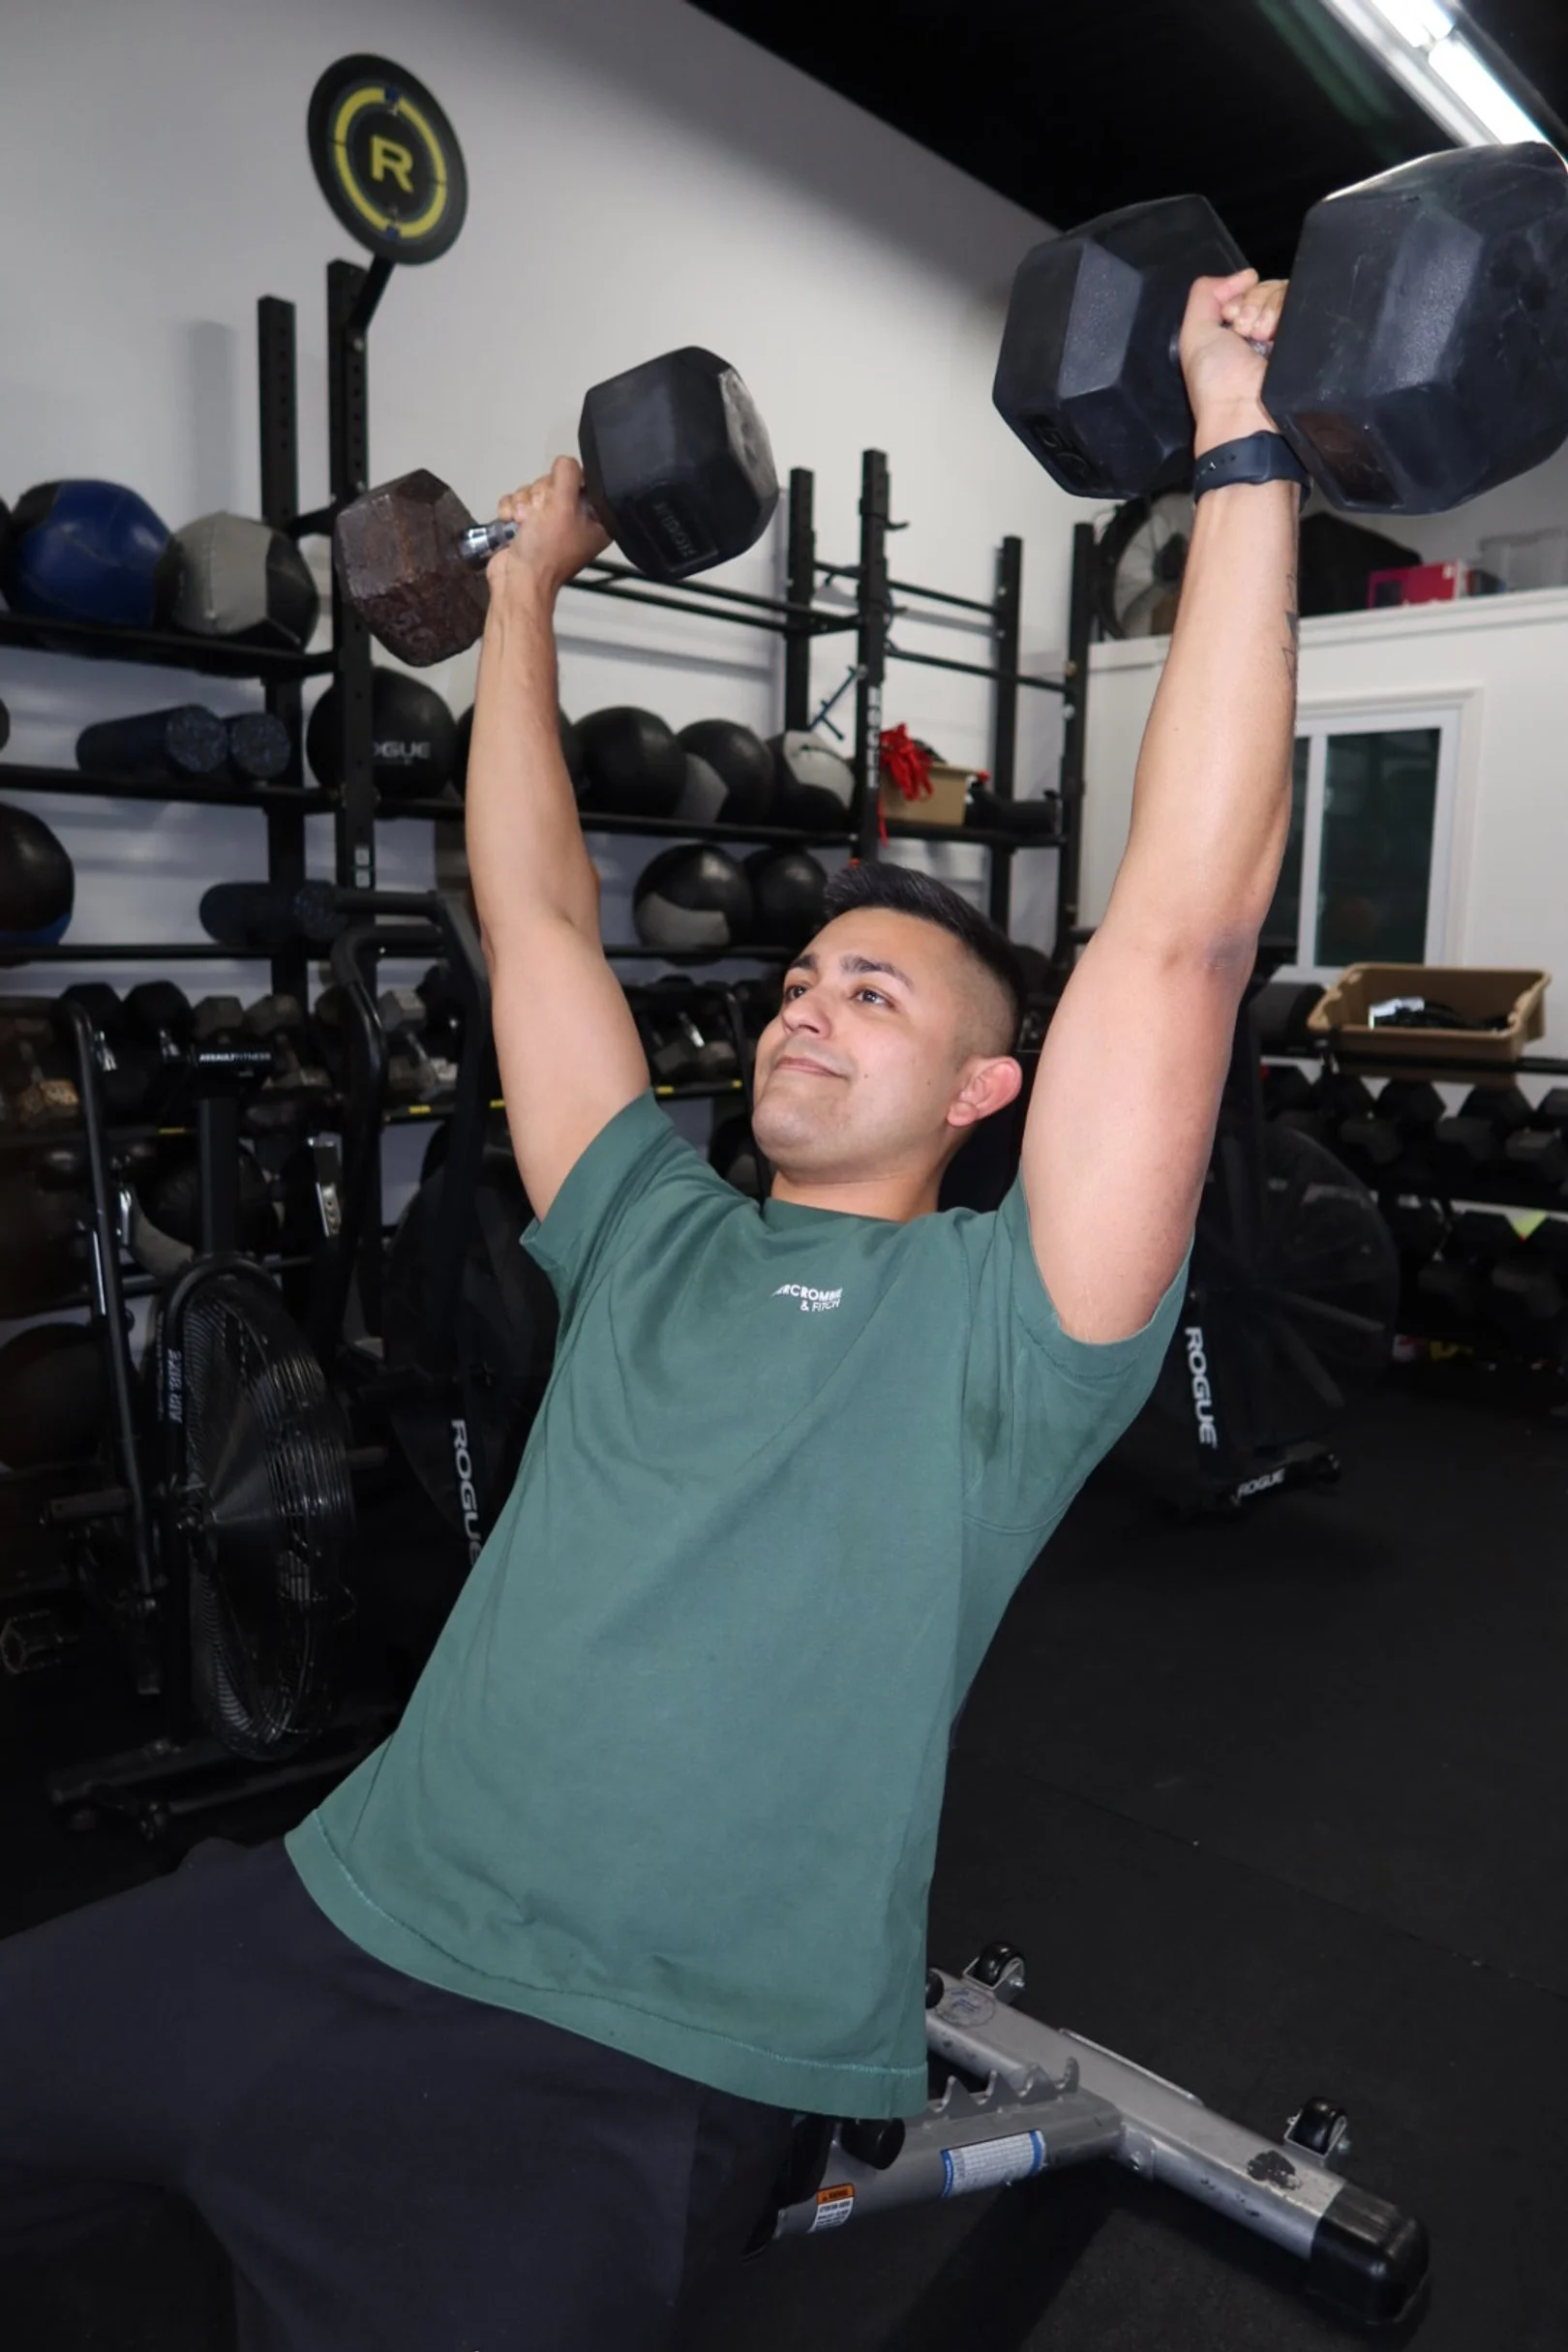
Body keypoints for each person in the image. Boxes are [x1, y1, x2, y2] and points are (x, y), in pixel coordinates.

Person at [0, 269, 1301, 2351]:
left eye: (875, 991)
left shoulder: (1013, 1322)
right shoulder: (645, 1224)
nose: (807, 998)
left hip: (622, 2071)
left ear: (990, 1093)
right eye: (803, 976)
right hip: (311, 1913)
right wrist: (526, 596)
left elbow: (1186, 934)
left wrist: (1246, 447)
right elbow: (527, 908)